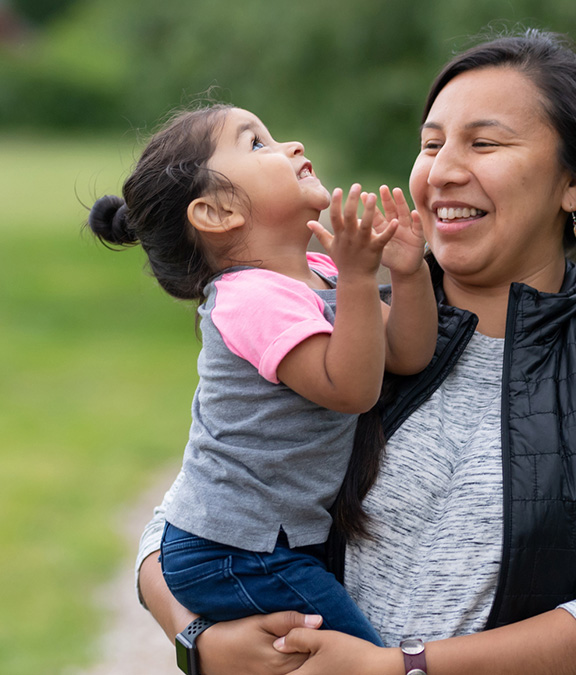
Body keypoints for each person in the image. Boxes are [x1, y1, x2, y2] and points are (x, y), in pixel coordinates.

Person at [136, 28, 576, 675]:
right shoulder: (352, 318)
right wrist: (201, 643)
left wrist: (398, 668)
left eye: (486, 142)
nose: (443, 170)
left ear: (572, 183)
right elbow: (185, 518)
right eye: (432, 143)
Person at [88, 104, 438, 646]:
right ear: (217, 211)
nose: (291, 146)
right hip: (231, 549)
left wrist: (409, 273)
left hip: (270, 542)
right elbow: (351, 389)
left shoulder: (320, 273)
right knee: (358, 659)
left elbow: (406, 355)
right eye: (257, 144)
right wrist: (361, 279)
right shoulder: (248, 297)